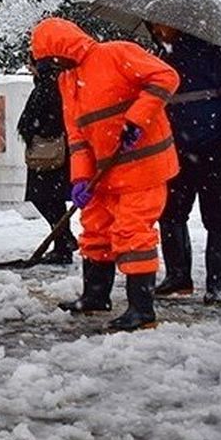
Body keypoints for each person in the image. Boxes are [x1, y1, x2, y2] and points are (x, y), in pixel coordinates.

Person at [31, 17, 180, 331]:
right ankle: (96, 295)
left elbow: (165, 77)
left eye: (53, 59)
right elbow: (77, 136)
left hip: (144, 166)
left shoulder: (117, 53)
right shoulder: (67, 81)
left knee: (132, 231)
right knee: (95, 229)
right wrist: (80, 179)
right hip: (105, 171)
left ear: (63, 47)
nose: (54, 67)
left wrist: (137, 119)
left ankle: (142, 310)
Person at [148, 23, 221, 306]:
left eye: (160, 27)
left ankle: (215, 283)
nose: (156, 31)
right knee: (170, 213)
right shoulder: (161, 57)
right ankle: (178, 276)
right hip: (175, 151)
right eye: (153, 27)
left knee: (220, 217)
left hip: (214, 149)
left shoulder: (217, 53)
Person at [17, 57, 77, 265]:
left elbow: (46, 117)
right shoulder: (51, 84)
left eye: (30, 63)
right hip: (51, 151)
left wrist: (34, 130)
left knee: (44, 197)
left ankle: (64, 240)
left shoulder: (47, 87)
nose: (28, 67)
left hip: (49, 151)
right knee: (53, 199)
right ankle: (62, 244)